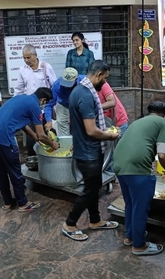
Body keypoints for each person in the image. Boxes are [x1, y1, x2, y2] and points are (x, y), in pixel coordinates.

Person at [61, 60, 120, 241]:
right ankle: (70, 223)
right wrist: (110, 136)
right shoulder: (85, 96)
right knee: (90, 189)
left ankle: (95, 220)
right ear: (98, 75)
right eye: (105, 78)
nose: (105, 82)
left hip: (87, 149)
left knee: (94, 187)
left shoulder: (78, 90)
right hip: (88, 152)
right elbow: (91, 130)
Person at [114, 101, 165, 256]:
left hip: (119, 163)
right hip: (137, 167)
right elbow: (162, 155)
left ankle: (130, 237)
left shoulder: (138, 121)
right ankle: (139, 245)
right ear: (164, 115)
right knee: (141, 207)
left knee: (131, 203)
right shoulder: (164, 124)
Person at [0, 87, 59, 212]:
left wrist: (34, 137)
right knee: (15, 171)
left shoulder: (21, 98)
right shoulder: (35, 106)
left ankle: (7, 202)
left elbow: (23, 123)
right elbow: (42, 135)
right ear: (43, 100)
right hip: (3, 137)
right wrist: (52, 144)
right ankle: (23, 203)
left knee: (0, 171)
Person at [44, 67, 84, 136]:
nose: (67, 86)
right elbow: (49, 105)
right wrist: (48, 120)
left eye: (69, 83)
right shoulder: (57, 85)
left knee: (81, 131)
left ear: (76, 79)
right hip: (63, 107)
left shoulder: (84, 82)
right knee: (64, 135)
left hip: (80, 107)